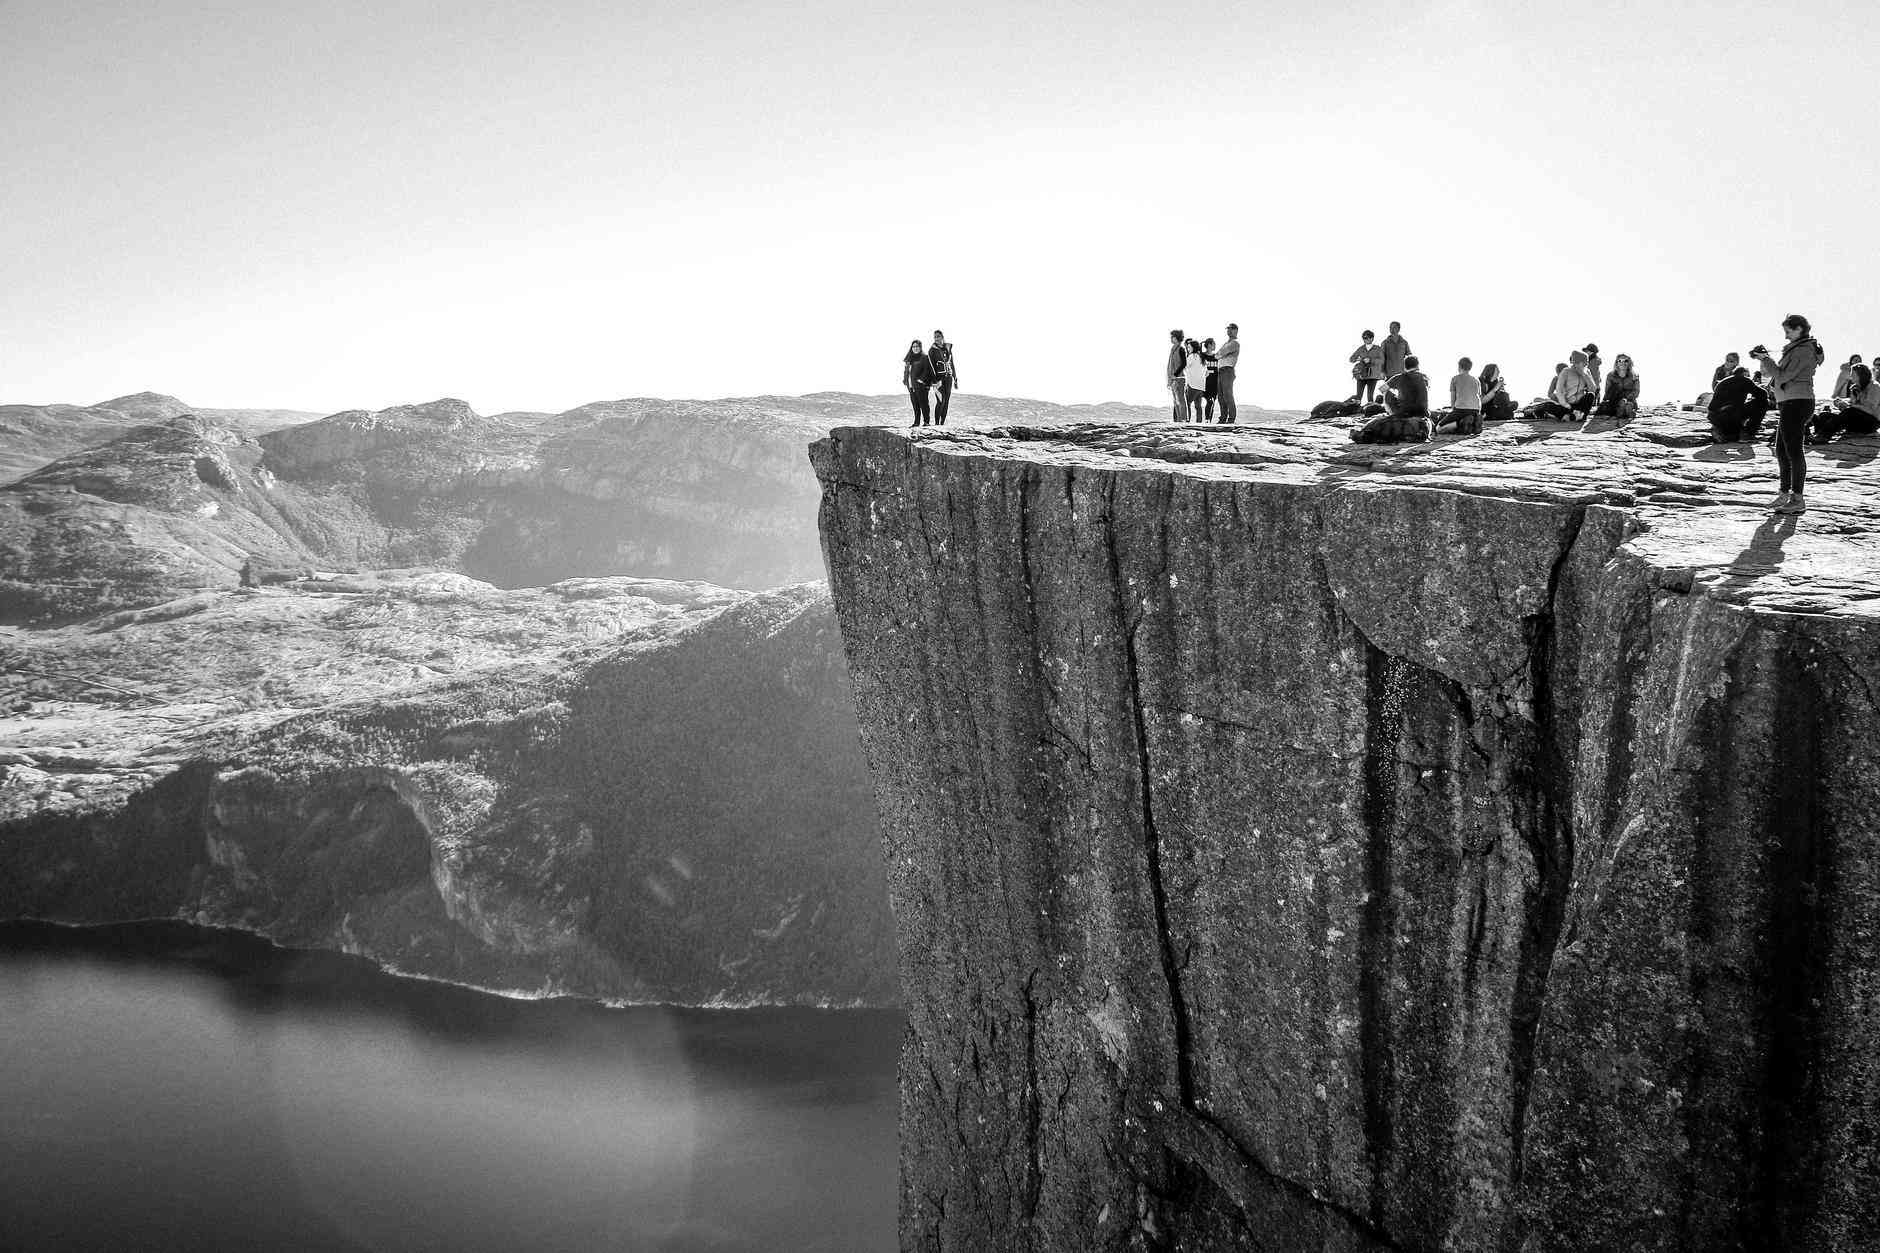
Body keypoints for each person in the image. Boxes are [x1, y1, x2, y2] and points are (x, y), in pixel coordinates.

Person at [1752, 314, 1826, 514]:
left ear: (1800, 328)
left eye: (1788, 331)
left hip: (1797, 402)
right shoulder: (1795, 349)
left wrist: (1766, 358)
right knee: (1782, 449)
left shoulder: (1803, 351)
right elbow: (1773, 374)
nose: (1785, 336)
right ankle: (1785, 494)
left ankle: (1797, 499)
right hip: (1789, 402)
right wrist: (1764, 359)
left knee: (1793, 450)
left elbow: (1782, 375)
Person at [1811, 363, 1880, 443]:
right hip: (1857, 420)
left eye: (1853, 375)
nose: (1851, 378)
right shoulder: (1856, 387)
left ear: (1861, 375)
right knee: (1825, 415)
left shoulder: (1874, 386)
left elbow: (1870, 409)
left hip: (1871, 423)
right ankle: (1819, 431)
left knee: (1849, 412)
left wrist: (1850, 406)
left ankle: (1824, 436)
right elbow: (1855, 408)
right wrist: (1842, 405)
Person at [1707, 365, 1770, 442]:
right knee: (1763, 402)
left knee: (1732, 434)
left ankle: (1721, 431)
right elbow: (1763, 394)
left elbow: (1713, 406)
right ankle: (1747, 434)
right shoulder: (1744, 380)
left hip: (1715, 417)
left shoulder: (1723, 382)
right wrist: (1756, 387)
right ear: (1744, 373)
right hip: (1731, 415)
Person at [1533, 350, 1597, 419]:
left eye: (1587, 362)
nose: (1586, 364)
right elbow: (1559, 390)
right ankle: (1572, 415)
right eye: (1585, 362)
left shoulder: (1587, 372)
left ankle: (1578, 415)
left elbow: (1593, 389)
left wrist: (1584, 375)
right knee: (1548, 405)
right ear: (1577, 362)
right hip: (1567, 405)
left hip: (1579, 405)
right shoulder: (1566, 372)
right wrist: (1565, 404)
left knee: (1591, 395)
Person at [1436, 357, 1481, 434]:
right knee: (1463, 418)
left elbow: (1453, 398)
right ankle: (1471, 423)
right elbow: (1479, 397)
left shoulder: (1455, 379)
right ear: (1470, 367)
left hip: (1461, 409)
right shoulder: (1476, 380)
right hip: (1475, 410)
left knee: (1438, 428)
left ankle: (1460, 424)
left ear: (1459, 366)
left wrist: (1453, 410)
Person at [1594, 353, 1641, 419]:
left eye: (1626, 361)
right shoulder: (1610, 375)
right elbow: (1607, 391)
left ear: (1629, 363)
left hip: (1630, 400)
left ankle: (1627, 409)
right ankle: (1622, 411)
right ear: (1616, 363)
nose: (1622, 363)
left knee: (1628, 404)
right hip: (1615, 400)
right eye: (1620, 361)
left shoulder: (1635, 376)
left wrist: (1626, 398)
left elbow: (1636, 391)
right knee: (1614, 404)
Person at [903, 338, 935, 427]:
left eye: (917, 346)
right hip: (911, 386)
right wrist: (905, 380)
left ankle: (926, 422)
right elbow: (907, 370)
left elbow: (927, 370)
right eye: (913, 346)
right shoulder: (909, 358)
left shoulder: (924, 357)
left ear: (920, 347)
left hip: (921, 385)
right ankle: (916, 422)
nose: (915, 348)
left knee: (923, 404)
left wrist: (921, 380)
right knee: (915, 405)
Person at [928, 330, 958, 425]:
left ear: (942, 337)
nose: (937, 338)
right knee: (941, 400)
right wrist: (934, 381)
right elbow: (930, 367)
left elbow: (951, 363)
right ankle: (936, 424)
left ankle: (942, 423)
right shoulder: (932, 350)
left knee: (946, 401)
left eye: (938, 336)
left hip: (948, 378)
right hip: (938, 379)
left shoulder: (947, 348)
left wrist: (955, 377)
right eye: (935, 337)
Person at [1349, 330, 1385, 404]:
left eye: (1367, 338)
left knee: (1370, 396)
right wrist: (1357, 359)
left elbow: (1382, 361)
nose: (1365, 340)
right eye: (1364, 338)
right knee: (1358, 396)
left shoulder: (1378, 349)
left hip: (1373, 375)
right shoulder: (1361, 348)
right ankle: (1356, 409)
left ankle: (1370, 409)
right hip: (1361, 374)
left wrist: (1371, 360)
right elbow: (1351, 359)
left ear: (1372, 338)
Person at [1215, 323, 1241, 422]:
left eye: (1231, 329)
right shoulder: (1227, 343)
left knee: (1227, 394)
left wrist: (1220, 354)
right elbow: (1217, 355)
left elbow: (1220, 354)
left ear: (1236, 330)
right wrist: (1220, 354)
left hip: (1228, 370)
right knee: (1221, 396)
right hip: (1221, 370)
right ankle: (1223, 418)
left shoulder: (1234, 343)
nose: (1228, 331)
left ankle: (1231, 419)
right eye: (1228, 329)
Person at [1182, 338, 1211, 422]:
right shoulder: (1202, 358)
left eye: (1189, 347)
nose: (1188, 349)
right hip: (1201, 386)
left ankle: (1187, 421)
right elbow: (1207, 373)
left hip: (1192, 385)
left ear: (1193, 348)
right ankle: (1199, 422)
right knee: (1198, 406)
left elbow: (1184, 366)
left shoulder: (1192, 356)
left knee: (1187, 403)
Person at [1167, 329, 1188, 421]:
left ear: (1176, 338)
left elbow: (1184, 363)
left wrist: (1175, 374)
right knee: (1175, 401)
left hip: (1179, 378)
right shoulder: (1173, 349)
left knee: (1180, 400)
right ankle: (1178, 420)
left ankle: (1183, 419)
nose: (1171, 338)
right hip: (1173, 379)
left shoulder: (1181, 349)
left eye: (1172, 337)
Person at [1201, 337, 1221, 422]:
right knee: (1197, 402)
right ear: (1209, 345)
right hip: (1203, 383)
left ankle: (1207, 420)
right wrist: (1201, 343)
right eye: (1214, 344)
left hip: (1214, 383)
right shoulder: (1202, 356)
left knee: (1211, 401)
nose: (1215, 346)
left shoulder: (1216, 356)